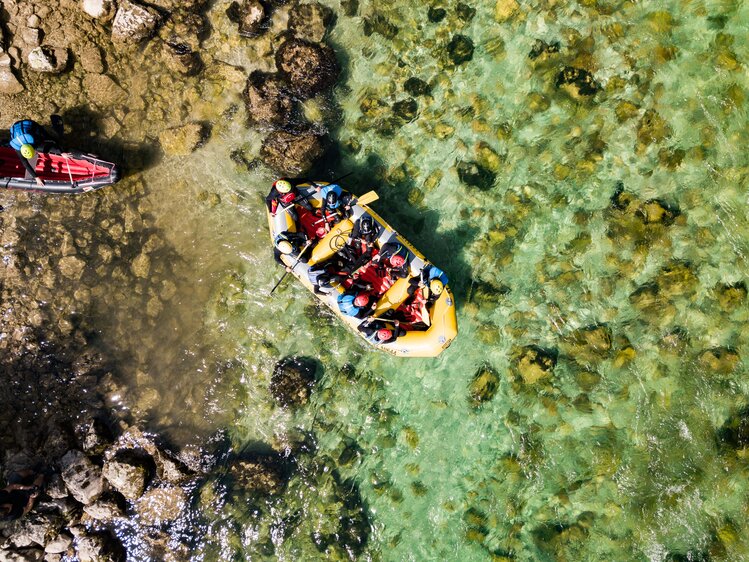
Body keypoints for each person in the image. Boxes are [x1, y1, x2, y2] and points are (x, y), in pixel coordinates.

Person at [9, 117, 68, 187]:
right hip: (16, 128)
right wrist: (36, 177)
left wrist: (62, 152)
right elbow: (25, 163)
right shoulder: (17, 148)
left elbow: (52, 140)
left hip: (30, 124)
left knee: (45, 134)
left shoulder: (35, 138)